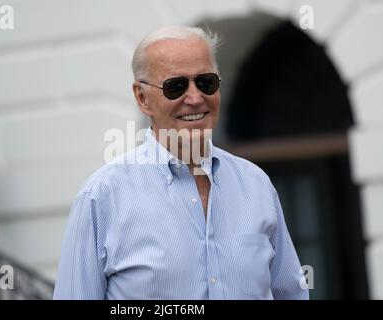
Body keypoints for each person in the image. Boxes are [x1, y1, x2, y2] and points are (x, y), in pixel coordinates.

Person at [53, 26, 309, 300]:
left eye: (206, 82)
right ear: (142, 98)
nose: (196, 98)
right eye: (176, 86)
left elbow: (292, 294)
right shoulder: (102, 196)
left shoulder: (255, 184)